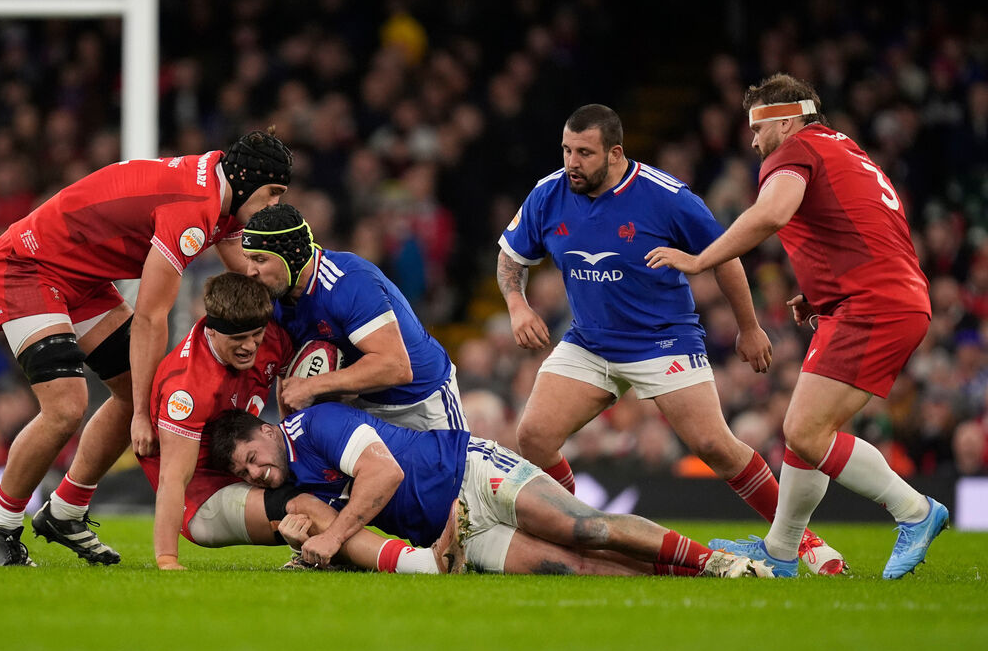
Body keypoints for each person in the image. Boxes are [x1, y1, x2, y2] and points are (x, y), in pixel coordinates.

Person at [496, 103, 845, 575]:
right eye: (566, 150)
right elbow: (511, 257)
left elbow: (726, 256)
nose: (571, 162)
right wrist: (518, 305)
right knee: (533, 436)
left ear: (615, 153)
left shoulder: (666, 196)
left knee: (716, 447)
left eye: (583, 152)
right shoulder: (549, 194)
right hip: (590, 341)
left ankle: (804, 542)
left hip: (663, 342)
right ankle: (574, 529)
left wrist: (748, 327)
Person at [645, 73, 948, 578]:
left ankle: (914, 511)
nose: (754, 140)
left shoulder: (794, 150)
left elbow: (771, 214)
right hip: (881, 297)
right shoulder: (843, 147)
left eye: (758, 128)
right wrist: (820, 292)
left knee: (805, 431)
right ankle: (783, 551)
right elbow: (865, 224)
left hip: (870, 304)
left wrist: (699, 260)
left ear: (785, 120)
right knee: (805, 432)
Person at [0, 129, 292, 566]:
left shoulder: (223, 191)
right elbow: (149, 317)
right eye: (272, 193)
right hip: (29, 266)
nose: (273, 204)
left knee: (134, 390)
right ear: (247, 179)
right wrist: (145, 415)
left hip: (82, 279)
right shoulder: (193, 210)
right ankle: (0, 524)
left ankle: (66, 511)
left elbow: (249, 275)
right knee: (68, 406)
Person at [207, 403, 774, 578]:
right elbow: (342, 534)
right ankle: (695, 580)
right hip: (456, 531)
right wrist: (306, 547)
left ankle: (716, 560)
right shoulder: (298, 482)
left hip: (470, 472)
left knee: (588, 527)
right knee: (573, 568)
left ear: (265, 430)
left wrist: (331, 540)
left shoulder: (319, 424)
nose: (256, 475)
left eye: (253, 459)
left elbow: (384, 477)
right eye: (245, 474)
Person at [142, 271, 455, 574]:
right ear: (211, 330)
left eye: (255, 335)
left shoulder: (271, 339)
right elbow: (173, 479)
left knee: (318, 471)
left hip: (243, 464)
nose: (250, 346)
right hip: (202, 496)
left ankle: (317, 557)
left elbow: (298, 384)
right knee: (305, 506)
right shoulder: (187, 389)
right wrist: (167, 559)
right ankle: (421, 564)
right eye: (238, 338)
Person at [243, 203, 468, 432]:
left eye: (260, 260)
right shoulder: (275, 296)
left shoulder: (347, 281)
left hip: (421, 401)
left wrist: (313, 386)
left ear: (292, 256)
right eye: (248, 259)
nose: (250, 271)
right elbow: (290, 381)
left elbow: (396, 366)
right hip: (362, 407)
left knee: (452, 468)